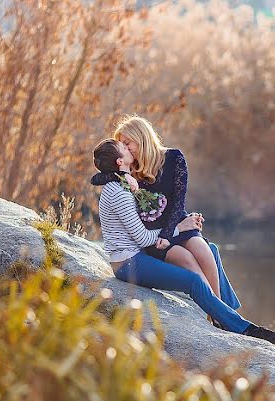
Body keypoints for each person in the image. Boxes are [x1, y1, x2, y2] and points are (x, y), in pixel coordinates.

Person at [92, 138, 275, 344]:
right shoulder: (119, 192)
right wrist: (180, 228)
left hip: (137, 256)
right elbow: (142, 237)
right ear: (120, 161)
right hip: (129, 263)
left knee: (211, 250)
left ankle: (227, 314)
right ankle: (240, 327)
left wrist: (124, 177)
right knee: (193, 281)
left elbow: (101, 178)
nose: (127, 148)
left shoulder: (119, 182)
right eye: (123, 148)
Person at [91, 115, 224, 300]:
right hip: (154, 236)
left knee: (205, 251)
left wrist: (170, 232)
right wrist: (121, 176)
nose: (125, 148)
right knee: (187, 259)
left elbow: (179, 202)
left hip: (173, 225)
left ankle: (219, 310)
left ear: (141, 137)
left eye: (127, 142)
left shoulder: (173, 158)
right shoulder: (131, 167)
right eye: (122, 144)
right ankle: (218, 312)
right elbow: (97, 178)